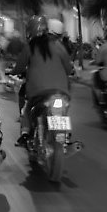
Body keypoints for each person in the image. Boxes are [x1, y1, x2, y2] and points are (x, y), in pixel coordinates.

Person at [12, 15, 73, 147]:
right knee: (62, 109)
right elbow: (68, 68)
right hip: (61, 91)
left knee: (26, 109)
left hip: (37, 91)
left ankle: (25, 133)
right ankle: (65, 133)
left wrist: (13, 72)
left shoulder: (30, 47)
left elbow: (19, 67)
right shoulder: (58, 45)